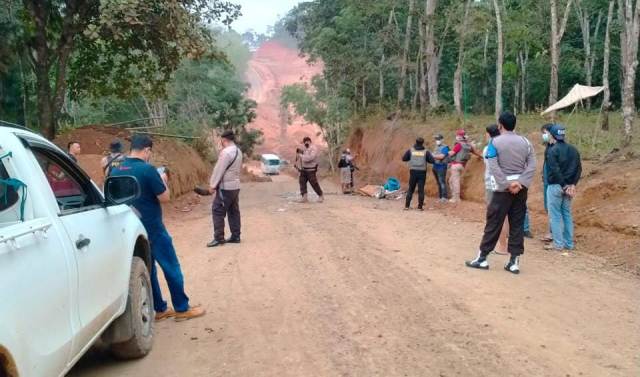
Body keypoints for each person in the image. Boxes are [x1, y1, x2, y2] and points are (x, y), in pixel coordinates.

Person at [111, 134, 205, 321]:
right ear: (147, 150)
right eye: (149, 152)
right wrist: (162, 180)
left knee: (149, 270)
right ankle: (181, 308)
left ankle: (160, 309)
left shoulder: (116, 170)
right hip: (153, 228)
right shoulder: (148, 170)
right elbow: (165, 197)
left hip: (133, 232)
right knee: (171, 266)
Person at [465, 112, 536, 274]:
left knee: (493, 222)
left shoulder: (494, 143)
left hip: (501, 190)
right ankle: (514, 262)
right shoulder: (526, 142)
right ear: (515, 125)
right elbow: (532, 164)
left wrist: (505, 184)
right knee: (517, 224)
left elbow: (494, 165)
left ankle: (482, 259)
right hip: (521, 189)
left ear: (500, 125)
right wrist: (521, 182)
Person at [544, 124, 582, 251]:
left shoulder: (552, 150)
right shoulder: (573, 150)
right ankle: (569, 244)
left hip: (555, 186)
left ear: (552, 135)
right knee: (566, 214)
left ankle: (558, 244)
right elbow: (579, 169)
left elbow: (555, 170)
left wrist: (564, 185)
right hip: (569, 187)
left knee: (555, 215)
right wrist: (572, 185)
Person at [205, 130, 243, 248]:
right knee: (233, 211)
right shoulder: (238, 151)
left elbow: (219, 170)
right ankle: (236, 236)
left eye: (221, 140)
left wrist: (212, 185)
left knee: (217, 210)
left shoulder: (226, 153)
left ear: (224, 140)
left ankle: (219, 238)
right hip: (235, 186)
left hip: (225, 187)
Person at [482, 124, 508, 255]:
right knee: (505, 216)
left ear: (488, 134)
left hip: (492, 184)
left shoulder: (488, 149)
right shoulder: (505, 147)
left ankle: (501, 246)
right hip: (505, 183)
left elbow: (490, 165)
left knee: (495, 216)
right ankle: (504, 244)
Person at [402, 137, 436, 211]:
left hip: (413, 171)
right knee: (421, 190)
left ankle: (406, 206)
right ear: (422, 143)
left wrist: (411, 158)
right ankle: (420, 207)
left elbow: (404, 158)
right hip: (422, 172)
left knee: (411, 189)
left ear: (416, 142)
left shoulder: (411, 150)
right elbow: (432, 161)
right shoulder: (426, 152)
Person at [447, 129, 482, 202]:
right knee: (451, 181)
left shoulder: (458, 145)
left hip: (455, 165)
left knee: (455, 181)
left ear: (459, 137)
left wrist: (448, 151)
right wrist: (481, 156)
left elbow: (452, 153)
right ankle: (454, 196)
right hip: (462, 165)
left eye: (457, 135)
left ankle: (456, 198)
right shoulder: (468, 145)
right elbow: (475, 152)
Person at [539, 124, 554, 242]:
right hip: (547, 180)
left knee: (552, 207)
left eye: (545, 133)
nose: (543, 135)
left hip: (552, 181)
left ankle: (553, 232)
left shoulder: (555, 148)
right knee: (548, 207)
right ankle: (552, 231)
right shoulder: (549, 147)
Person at [297, 136, 324, 203]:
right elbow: (303, 158)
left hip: (311, 169)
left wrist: (301, 155)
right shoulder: (306, 149)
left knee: (314, 183)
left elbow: (309, 158)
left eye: (305, 142)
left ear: (309, 141)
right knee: (302, 182)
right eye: (304, 143)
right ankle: (304, 197)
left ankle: (321, 195)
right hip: (304, 169)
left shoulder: (313, 148)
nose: (305, 144)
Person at [432, 134, 450, 203]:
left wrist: (432, 155)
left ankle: (444, 197)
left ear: (442, 140)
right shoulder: (436, 147)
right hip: (435, 166)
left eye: (438, 139)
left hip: (441, 166)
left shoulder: (445, 147)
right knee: (439, 182)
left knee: (442, 182)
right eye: (436, 139)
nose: (437, 141)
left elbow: (441, 157)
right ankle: (440, 197)